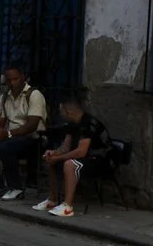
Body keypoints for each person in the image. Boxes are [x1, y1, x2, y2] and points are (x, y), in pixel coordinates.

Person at [0, 64, 47, 200]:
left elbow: (31, 126)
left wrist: (7, 134)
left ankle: (16, 188)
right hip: (12, 138)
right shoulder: (5, 97)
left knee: (5, 147)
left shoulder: (34, 95)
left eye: (16, 79)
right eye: (9, 80)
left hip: (33, 139)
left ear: (23, 77)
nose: (12, 83)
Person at [35, 88, 110, 219]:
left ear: (68, 111)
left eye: (61, 110)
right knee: (51, 159)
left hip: (99, 159)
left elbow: (81, 152)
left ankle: (67, 206)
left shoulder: (88, 124)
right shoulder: (72, 124)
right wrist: (54, 153)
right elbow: (66, 147)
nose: (60, 113)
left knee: (70, 164)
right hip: (85, 157)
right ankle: (52, 200)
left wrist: (59, 158)